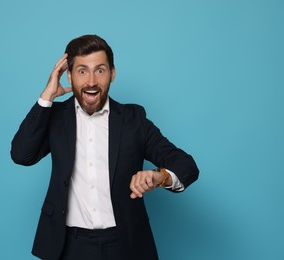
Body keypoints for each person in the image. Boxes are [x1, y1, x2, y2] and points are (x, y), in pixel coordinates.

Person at [11, 34, 199, 260]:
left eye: (100, 70)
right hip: (68, 246)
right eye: (82, 71)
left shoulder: (133, 120)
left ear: (112, 73)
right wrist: (47, 96)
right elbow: (22, 154)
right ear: (69, 76)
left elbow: (186, 165)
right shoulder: (55, 117)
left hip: (125, 245)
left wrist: (161, 177)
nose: (91, 81)